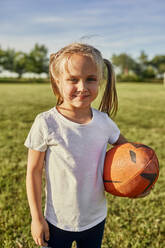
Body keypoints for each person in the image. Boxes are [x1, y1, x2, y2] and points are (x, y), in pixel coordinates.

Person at [24, 43, 151, 248]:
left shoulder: (104, 122)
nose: (82, 87)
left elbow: (131, 154)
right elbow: (33, 172)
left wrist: (140, 180)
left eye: (90, 79)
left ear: (100, 81)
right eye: (73, 79)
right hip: (57, 221)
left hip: (95, 219)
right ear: (57, 82)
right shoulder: (46, 122)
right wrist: (37, 218)